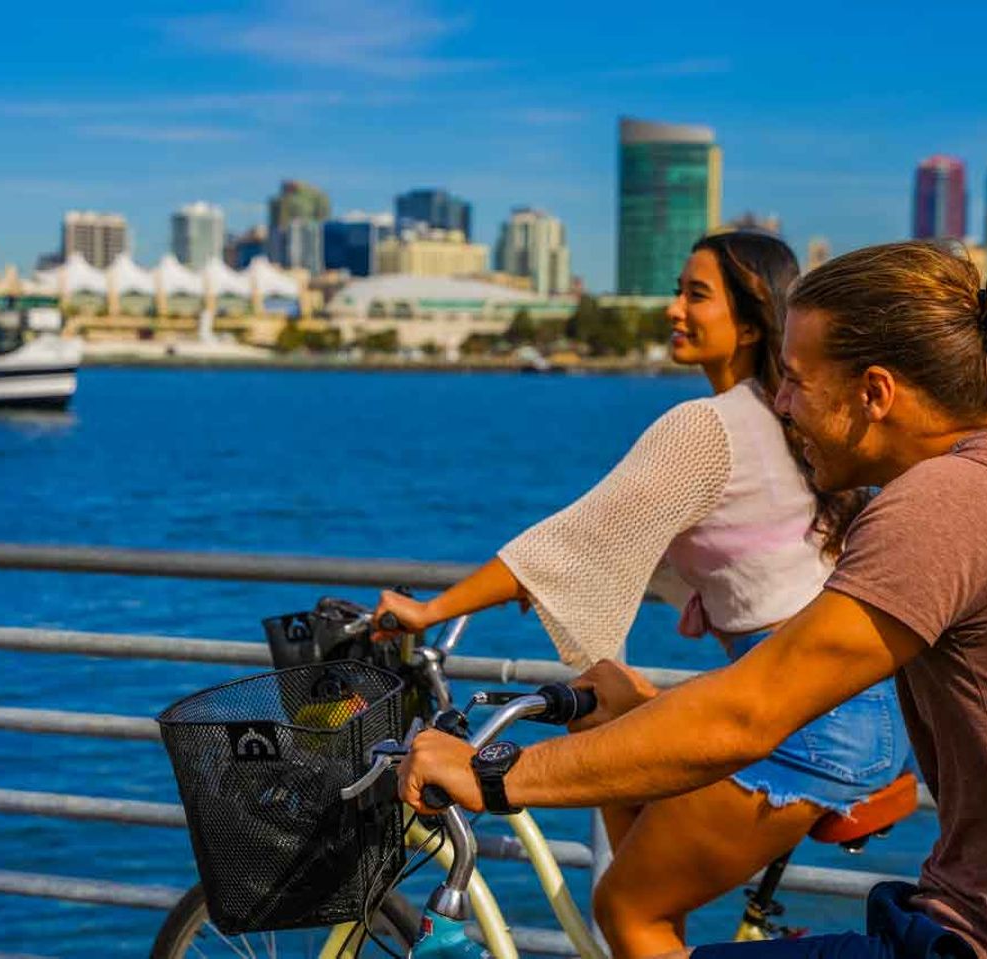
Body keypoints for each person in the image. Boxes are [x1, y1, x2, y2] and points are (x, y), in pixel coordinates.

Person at [397, 241, 987, 957]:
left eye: (795, 380)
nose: (784, 405)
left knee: (630, 907)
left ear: (876, 393)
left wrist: (495, 773)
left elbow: (746, 713)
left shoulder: (951, 501)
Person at [375, 232, 911, 958]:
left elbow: (579, 539)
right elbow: (651, 545)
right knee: (608, 695)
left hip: (804, 719)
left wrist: (431, 610)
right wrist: (566, 579)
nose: (674, 308)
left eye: (697, 294)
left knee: (627, 910)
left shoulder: (707, 427)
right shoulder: (784, 418)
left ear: (750, 323)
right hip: (854, 701)